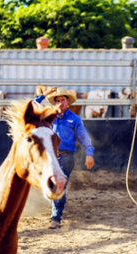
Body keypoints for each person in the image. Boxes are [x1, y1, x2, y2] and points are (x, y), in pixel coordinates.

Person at [34, 87, 95, 229]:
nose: (60, 103)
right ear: (54, 102)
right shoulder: (48, 115)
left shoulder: (75, 119)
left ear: (68, 101)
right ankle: (56, 204)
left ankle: (56, 217)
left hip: (67, 156)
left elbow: (84, 137)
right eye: (58, 100)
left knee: (59, 185)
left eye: (63, 100)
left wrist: (89, 153)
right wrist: (44, 95)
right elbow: (32, 106)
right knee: (50, 184)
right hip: (50, 156)